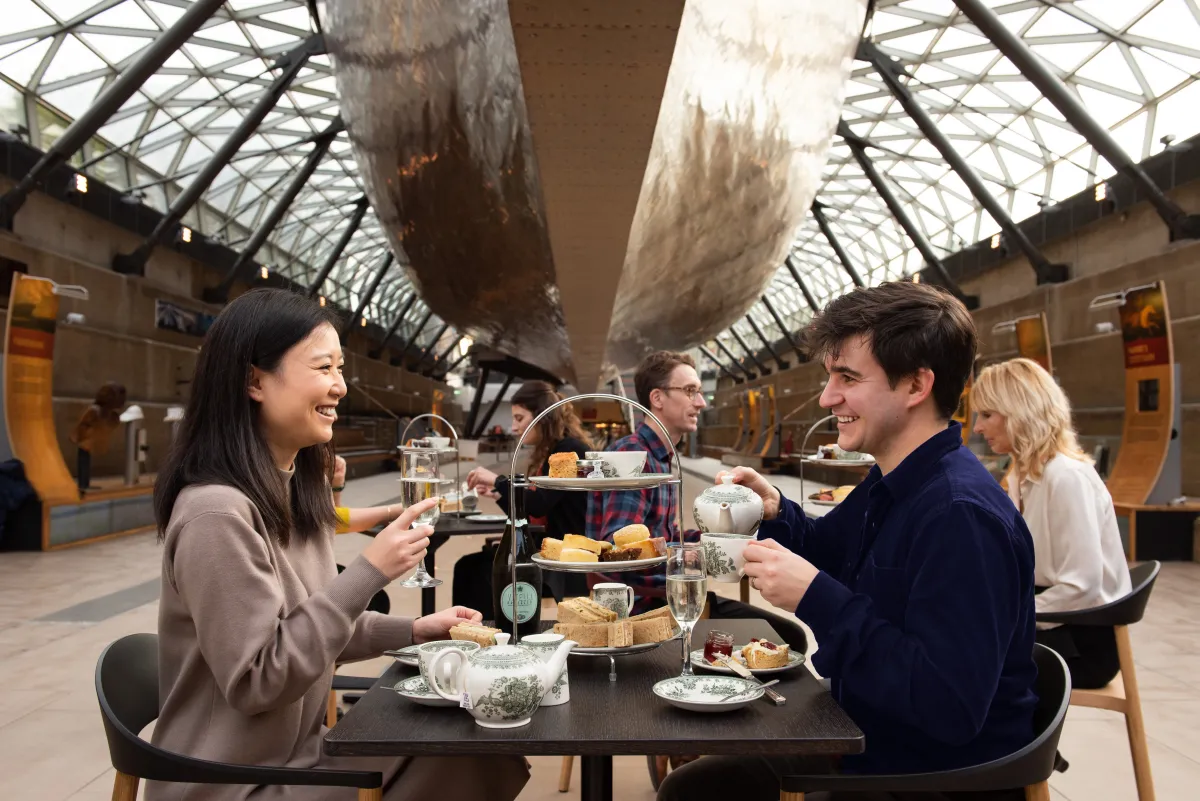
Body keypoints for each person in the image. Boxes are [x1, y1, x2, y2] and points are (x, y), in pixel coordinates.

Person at [660, 283, 1038, 801]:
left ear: (915, 385)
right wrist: (776, 509)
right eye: (829, 377)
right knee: (696, 782)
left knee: (697, 794)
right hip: (867, 731)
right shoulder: (894, 482)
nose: (826, 397)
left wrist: (815, 597)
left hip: (927, 776)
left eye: (848, 378)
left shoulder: (958, 515)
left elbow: (948, 706)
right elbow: (831, 548)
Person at [150, 289, 528, 801]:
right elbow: (259, 678)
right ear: (254, 380)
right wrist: (368, 572)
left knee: (478, 734)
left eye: (340, 369)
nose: (341, 387)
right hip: (231, 784)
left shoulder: (288, 495)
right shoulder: (216, 514)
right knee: (464, 748)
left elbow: (311, 629)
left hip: (298, 760)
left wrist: (417, 629)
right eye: (324, 367)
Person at [585, 351, 810, 652]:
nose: (701, 403)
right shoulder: (632, 459)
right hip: (649, 610)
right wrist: (699, 559)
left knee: (788, 636)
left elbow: (666, 539)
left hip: (673, 599)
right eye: (690, 391)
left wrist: (725, 541)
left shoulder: (661, 458)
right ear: (657, 398)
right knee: (789, 639)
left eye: (699, 392)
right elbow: (620, 553)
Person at [972, 357, 1131, 689]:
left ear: (1020, 414)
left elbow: (1081, 587)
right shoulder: (1023, 473)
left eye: (987, 415)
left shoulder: (1066, 477)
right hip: (1055, 620)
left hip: (1084, 641)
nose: (977, 428)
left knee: (963, 659)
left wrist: (1008, 617)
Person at [463, 381, 593, 601]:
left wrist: (497, 479)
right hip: (551, 550)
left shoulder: (569, 451)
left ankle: (496, 630)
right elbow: (531, 512)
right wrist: (497, 493)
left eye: (519, 418)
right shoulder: (555, 449)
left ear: (542, 417)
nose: (514, 427)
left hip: (567, 558)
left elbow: (539, 504)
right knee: (469, 567)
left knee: (475, 572)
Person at [70, 381, 126, 492]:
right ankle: (83, 484)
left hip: (88, 442)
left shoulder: (105, 412)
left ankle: (84, 484)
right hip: (85, 442)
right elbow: (84, 424)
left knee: (85, 463)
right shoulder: (95, 410)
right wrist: (81, 436)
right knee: (83, 463)